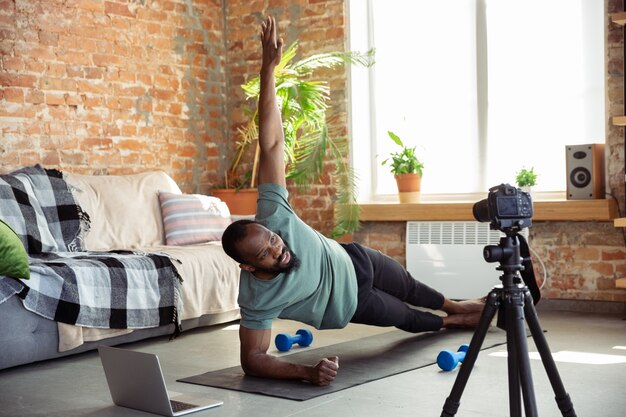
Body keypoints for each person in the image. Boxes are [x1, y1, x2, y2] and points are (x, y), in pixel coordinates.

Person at [221, 15, 484, 387]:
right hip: (351, 302)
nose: (277, 249)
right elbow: (252, 360)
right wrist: (305, 372)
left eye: (273, 240)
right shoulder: (256, 299)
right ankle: (454, 321)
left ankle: (456, 305)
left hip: (354, 258)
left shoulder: (272, 216)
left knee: (409, 285)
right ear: (249, 268)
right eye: (264, 254)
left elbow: (272, 144)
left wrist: (268, 69)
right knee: (406, 317)